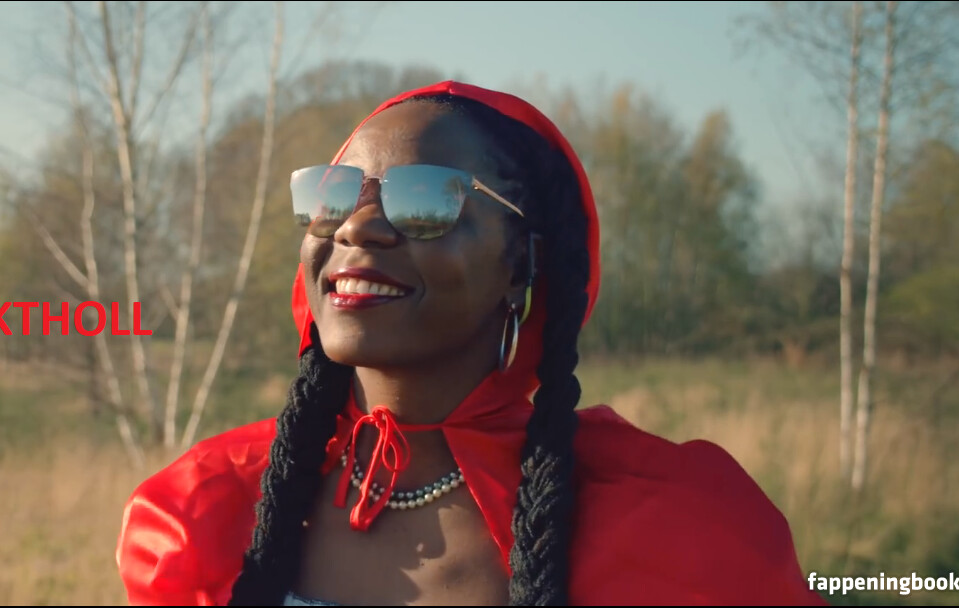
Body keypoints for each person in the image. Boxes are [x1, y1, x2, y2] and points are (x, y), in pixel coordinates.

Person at [114, 81, 827, 606]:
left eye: (424, 199)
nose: (357, 227)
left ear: (520, 264)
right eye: (334, 194)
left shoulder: (680, 533)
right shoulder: (196, 514)